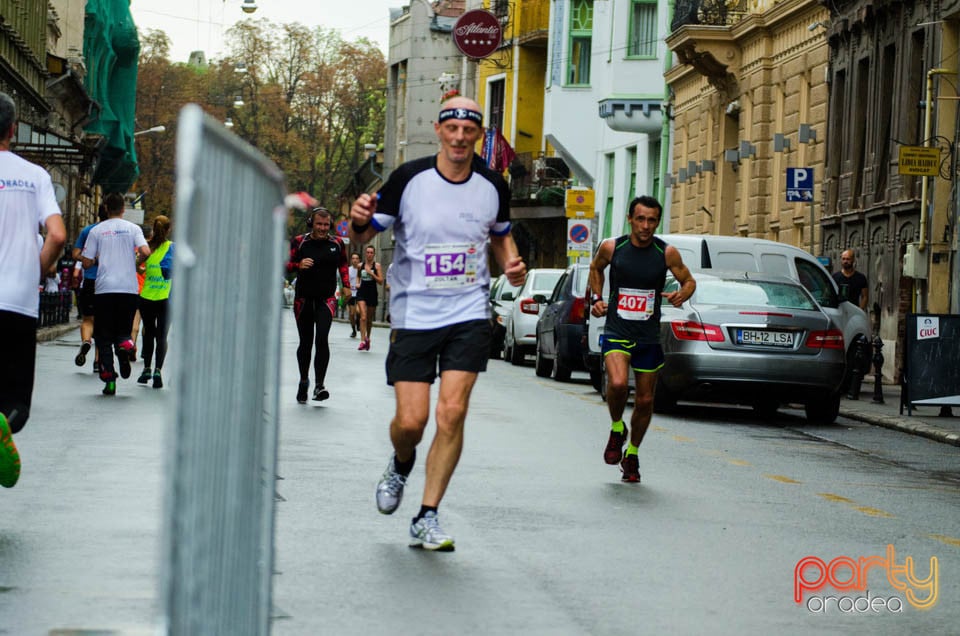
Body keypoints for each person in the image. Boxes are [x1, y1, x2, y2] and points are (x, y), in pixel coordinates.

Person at [350, 95, 526, 551]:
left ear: (478, 136)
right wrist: (358, 222)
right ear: (439, 130)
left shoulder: (492, 185)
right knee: (412, 421)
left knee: (453, 412)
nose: (460, 138)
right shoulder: (410, 179)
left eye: (470, 131)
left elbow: (501, 239)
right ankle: (401, 461)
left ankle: (427, 514)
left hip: (468, 311)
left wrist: (512, 266)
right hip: (414, 312)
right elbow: (367, 233)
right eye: (453, 129)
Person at [589, 195, 696, 483]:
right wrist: (596, 299)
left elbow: (689, 281)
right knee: (620, 384)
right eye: (640, 219)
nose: (645, 226)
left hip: (648, 337)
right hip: (617, 331)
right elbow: (595, 269)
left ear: (657, 222)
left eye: (651, 220)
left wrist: (681, 294)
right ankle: (616, 428)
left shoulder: (666, 253)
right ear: (630, 219)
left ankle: (632, 454)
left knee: (646, 400)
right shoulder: (613, 247)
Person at [0, 91, 67, 487]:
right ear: (13, 130)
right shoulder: (34, 175)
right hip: (16, 302)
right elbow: (56, 234)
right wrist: (35, 270)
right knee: (14, 405)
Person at [81, 192, 151, 395]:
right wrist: (134, 263)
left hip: (104, 289)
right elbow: (146, 252)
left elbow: (86, 262)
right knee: (123, 331)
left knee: (103, 336)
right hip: (128, 288)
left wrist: (94, 259)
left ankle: (109, 380)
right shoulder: (133, 228)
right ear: (123, 209)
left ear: (105, 208)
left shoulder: (97, 230)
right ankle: (125, 345)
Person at [287, 207, 351, 403]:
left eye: (326, 225)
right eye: (319, 224)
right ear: (311, 224)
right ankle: (304, 380)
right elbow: (286, 264)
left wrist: (347, 286)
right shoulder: (299, 242)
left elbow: (343, 265)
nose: (323, 228)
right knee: (305, 343)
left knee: (322, 339)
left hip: (326, 299)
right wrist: (298, 265)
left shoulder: (337, 243)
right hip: (304, 299)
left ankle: (319, 385)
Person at [137, 216, 174, 389]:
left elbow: (138, 266)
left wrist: (142, 269)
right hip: (166, 297)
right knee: (162, 336)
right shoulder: (172, 248)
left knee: (148, 333)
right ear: (168, 229)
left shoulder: (147, 248)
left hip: (146, 296)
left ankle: (146, 369)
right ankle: (158, 370)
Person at [72, 205, 108, 372]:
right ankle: (98, 360)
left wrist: (90, 259)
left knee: (88, 319)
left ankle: (86, 341)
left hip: (90, 281)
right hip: (108, 283)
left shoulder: (88, 230)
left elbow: (75, 254)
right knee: (103, 323)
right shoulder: (119, 232)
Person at [355, 244, 383, 350]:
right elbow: (358, 276)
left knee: (369, 319)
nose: (369, 254)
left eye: (371, 252)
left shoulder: (377, 266)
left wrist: (371, 274)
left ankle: (368, 338)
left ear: (374, 254)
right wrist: (357, 283)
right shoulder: (360, 265)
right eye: (368, 252)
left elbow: (380, 281)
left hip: (372, 293)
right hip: (362, 292)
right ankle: (362, 341)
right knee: (363, 317)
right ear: (365, 253)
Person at [347, 252, 361, 337]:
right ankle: (353, 330)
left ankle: (358, 322)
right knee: (352, 314)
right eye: (353, 258)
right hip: (351, 294)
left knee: (359, 311)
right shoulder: (348, 270)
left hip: (359, 293)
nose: (355, 260)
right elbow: (345, 282)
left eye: (356, 258)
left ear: (359, 260)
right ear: (351, 260)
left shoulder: (361, 269)